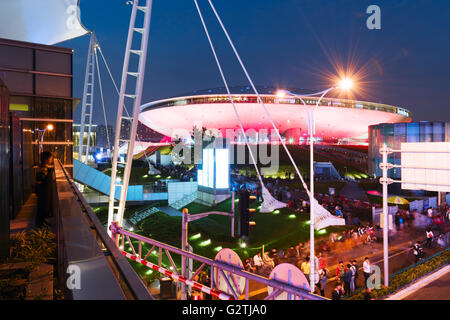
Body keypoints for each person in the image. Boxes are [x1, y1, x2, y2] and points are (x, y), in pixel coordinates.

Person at [35, 151, 55, 228]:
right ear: (46, 159)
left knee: (44, 206)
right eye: (50, 158)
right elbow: (40, 179)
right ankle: (39, 223)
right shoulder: (43, 168)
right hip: (44, 190)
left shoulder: (45, 167)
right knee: (43, 206)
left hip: (45, 190)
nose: (51, 160)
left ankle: (42, 221)